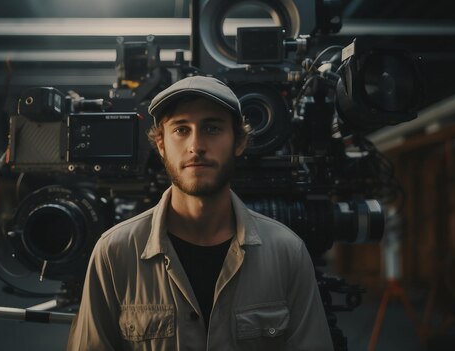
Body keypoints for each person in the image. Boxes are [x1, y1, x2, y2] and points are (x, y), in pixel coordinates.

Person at [67, 75, 333, 350]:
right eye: (181, 130)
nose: (196, 146)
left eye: (213, 128)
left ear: (239, 142)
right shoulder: (115, 253)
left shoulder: (287, 253)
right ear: (161, 145)